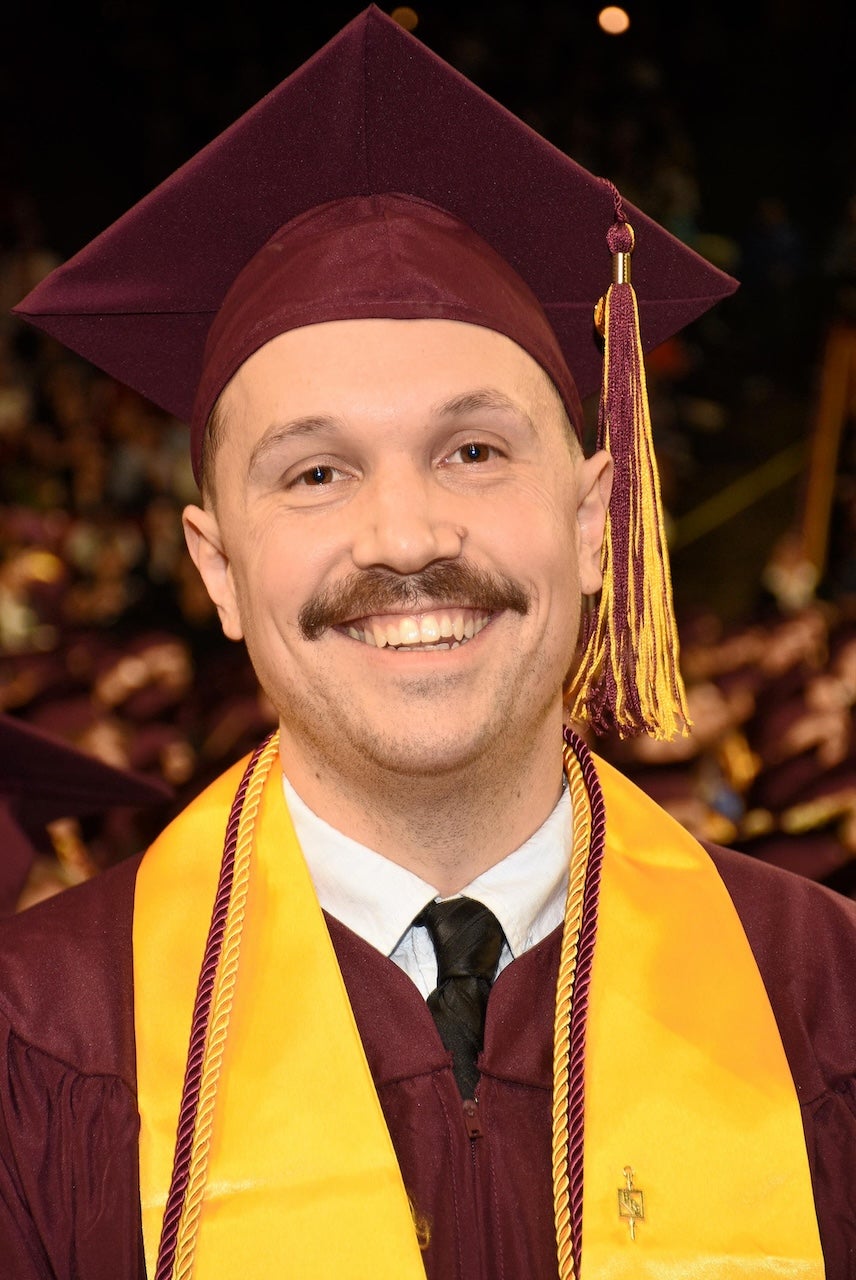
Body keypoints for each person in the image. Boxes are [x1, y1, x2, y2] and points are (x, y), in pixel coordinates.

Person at [2, 8, 856, 1278]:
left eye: (472, 450)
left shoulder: (826, 1002)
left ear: (594, 521)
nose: (404, 535)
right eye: (315, 472)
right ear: (217, 568)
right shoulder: (40, 1040)